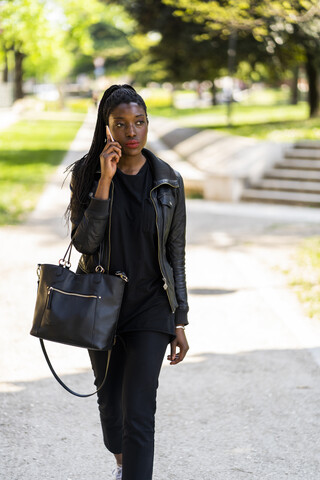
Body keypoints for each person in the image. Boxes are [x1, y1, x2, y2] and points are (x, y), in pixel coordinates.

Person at [66, 84, 189, 480]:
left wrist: (180, 319)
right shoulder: (87, 174)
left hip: (151, 307)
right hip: (102, 306)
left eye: (139, 123)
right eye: (121, 125)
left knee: (139, 410)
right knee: (110, 407)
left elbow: (176, 253)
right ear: (107, 129)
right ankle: (122, 464)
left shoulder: (169, 181)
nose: (131, 132)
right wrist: (105, 179)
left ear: (148, 124)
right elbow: (85, 242)